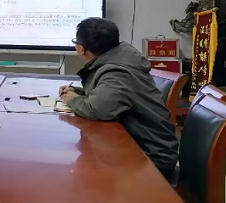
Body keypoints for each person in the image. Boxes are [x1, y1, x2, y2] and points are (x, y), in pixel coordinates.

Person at [59, 17, 179, 180]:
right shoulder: (120, 58)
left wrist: (72, 100)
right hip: (141, 147)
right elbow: (110, 96)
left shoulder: (117, 72)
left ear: (81, 49)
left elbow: (99, 109)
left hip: (150, 158)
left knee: (79, 178)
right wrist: (78, 93)